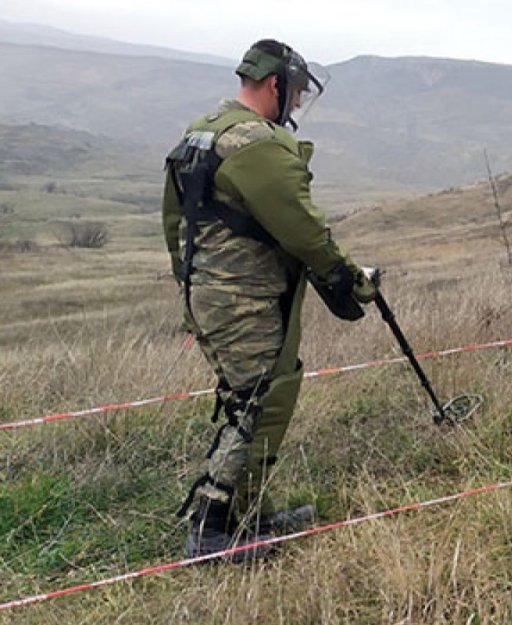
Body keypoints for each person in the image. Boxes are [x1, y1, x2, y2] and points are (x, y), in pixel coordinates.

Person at [162, 39, 377, 562]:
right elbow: (303, 230)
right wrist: (349, 280)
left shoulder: (204, 130)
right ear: (275, 84)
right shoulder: (256, 144)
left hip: (211, 294)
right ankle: (210, 529)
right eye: (296, 93)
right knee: (256, 403)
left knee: (258, 395)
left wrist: (193, 287)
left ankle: (253, 514)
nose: (298, 106)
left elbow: (175, 224)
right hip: (243, 300)